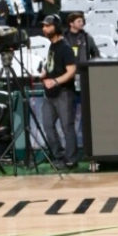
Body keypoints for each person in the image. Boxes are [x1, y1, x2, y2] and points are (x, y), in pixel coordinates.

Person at [40, 14, 79, 169]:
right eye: (44, 26)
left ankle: (71, 159)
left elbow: (71, 71)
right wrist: (45, 73)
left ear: (56, 27)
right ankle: (59, 156)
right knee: (48, 125)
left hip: (63, 92)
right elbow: (51, 65)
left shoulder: (65, 47)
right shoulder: (52, 46)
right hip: (50, 94)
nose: (45, 29)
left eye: (48, 26)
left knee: (66, 126)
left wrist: (55, 81)